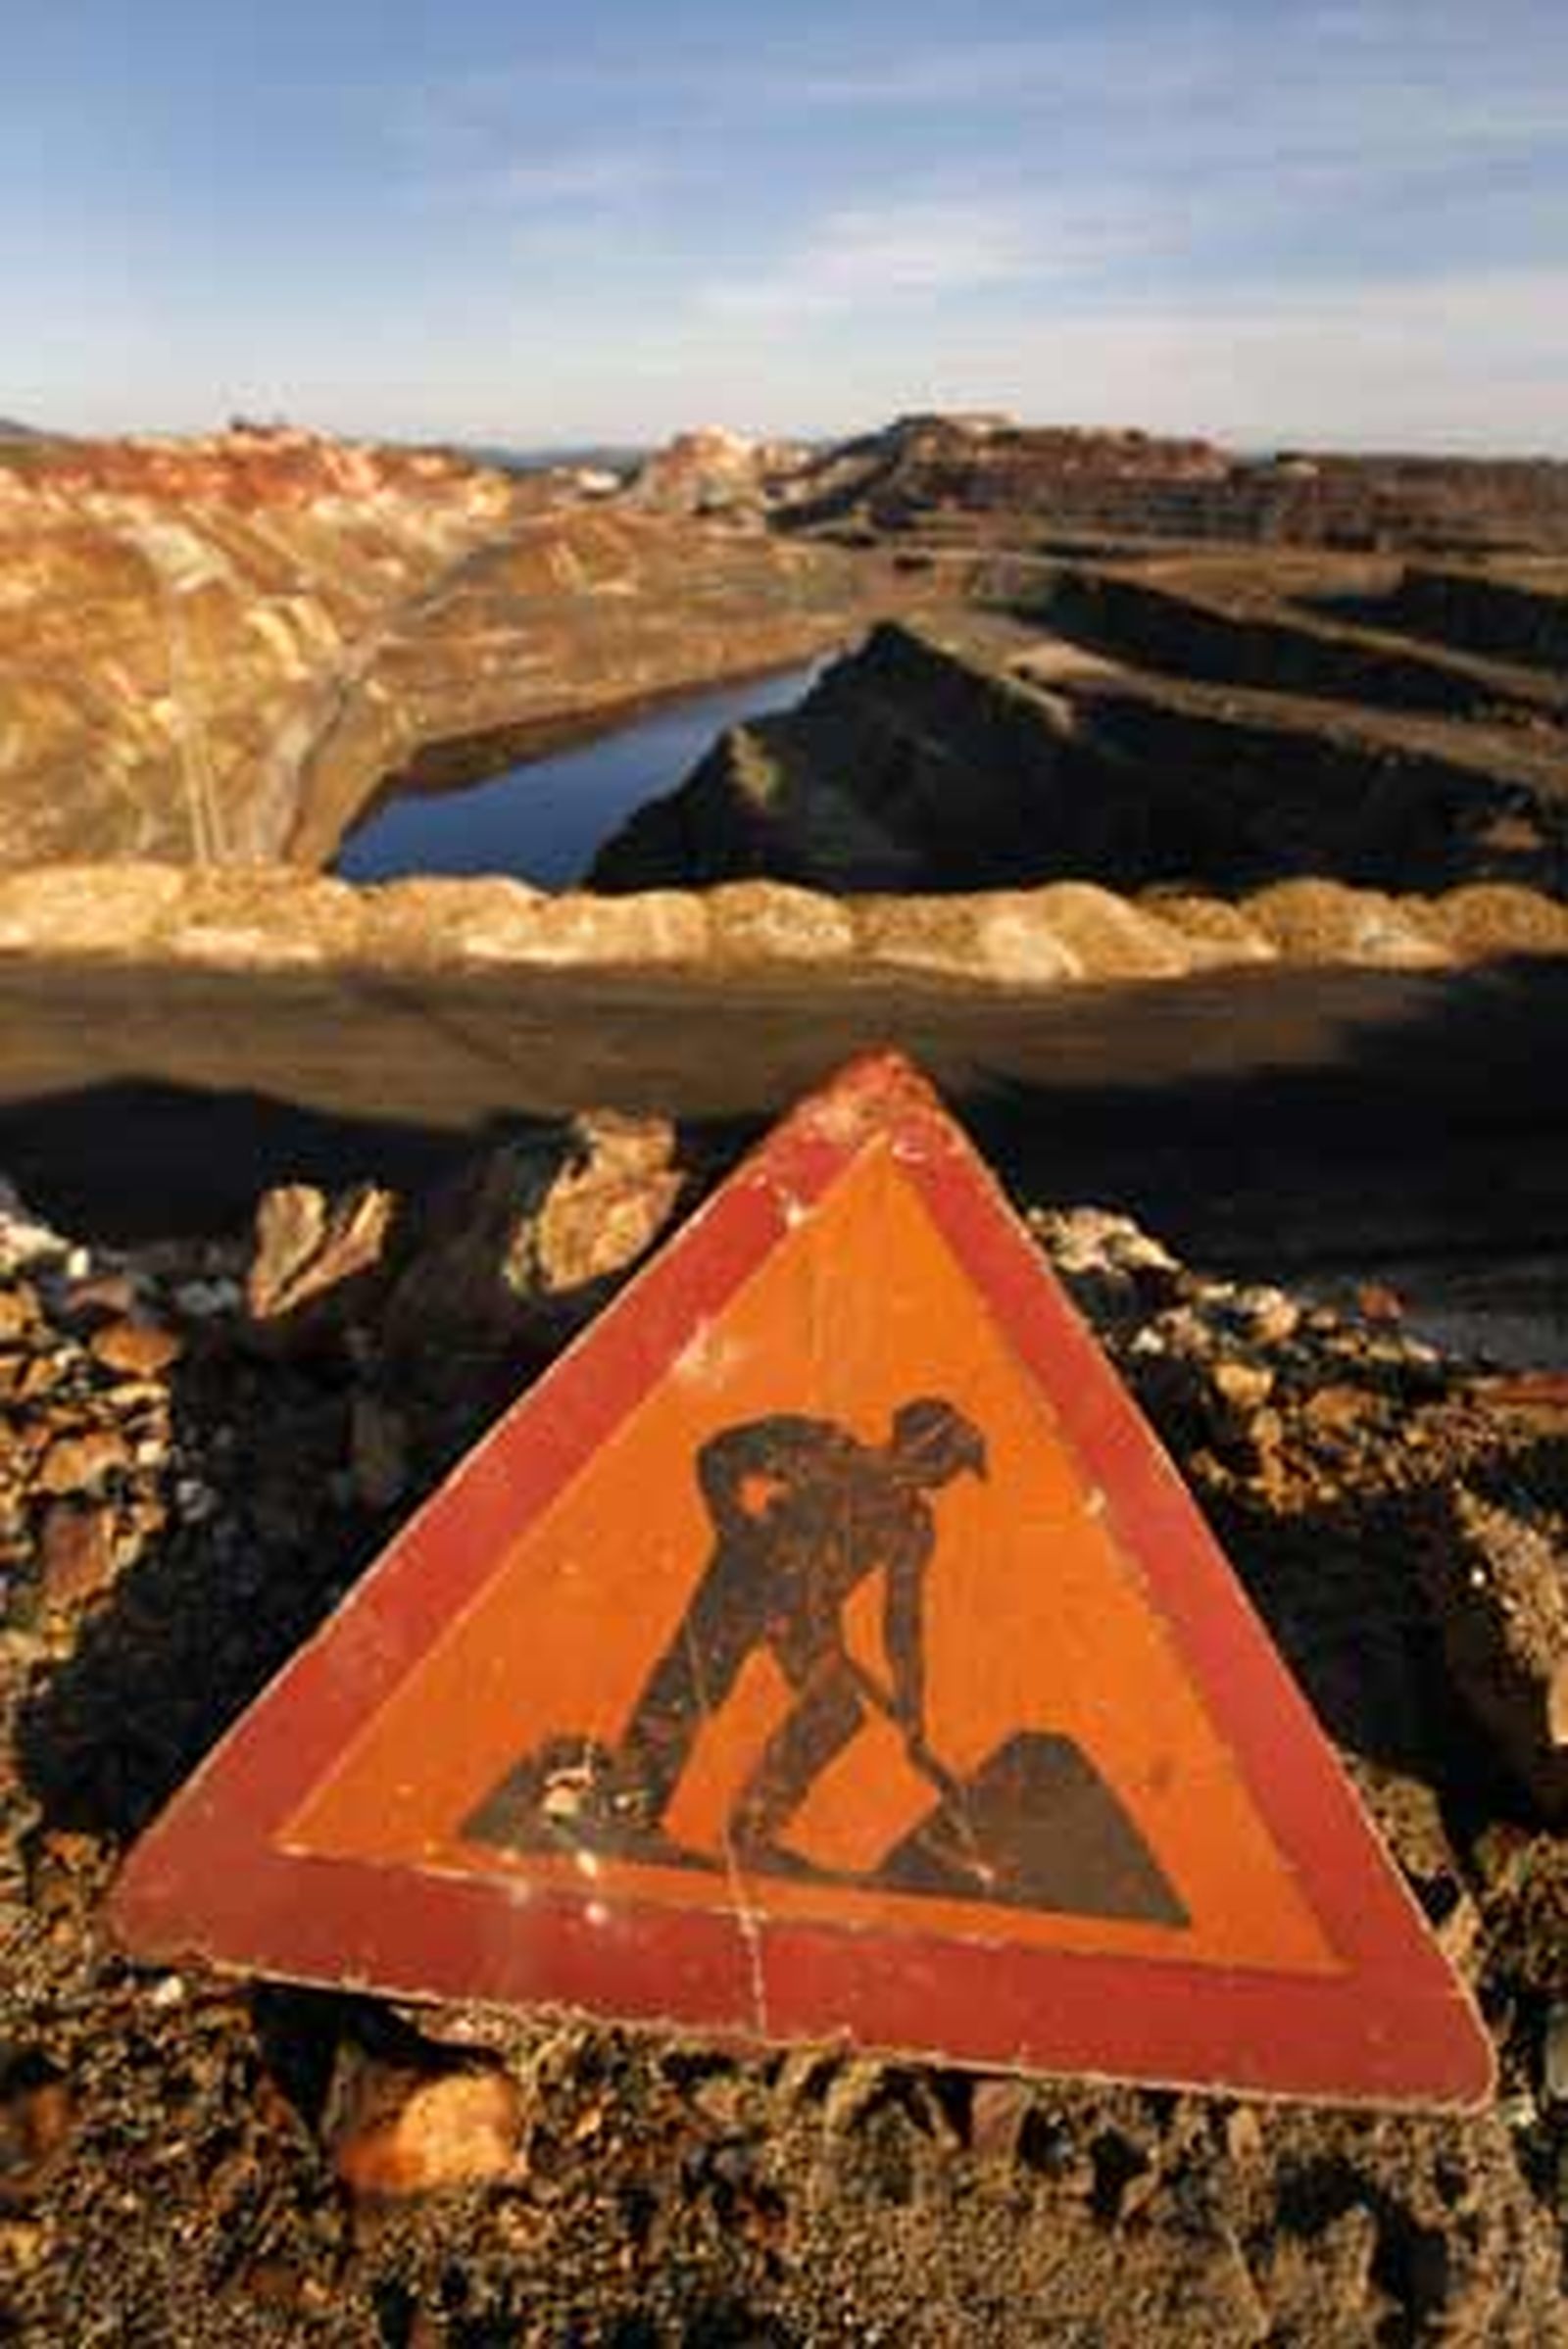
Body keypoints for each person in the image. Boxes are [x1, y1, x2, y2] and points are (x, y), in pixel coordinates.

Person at [604, 1396, 986, 1867]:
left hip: (807, 1616)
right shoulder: (824, 1448)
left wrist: (910, 1706)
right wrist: (735, 1528)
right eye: (952, 1463)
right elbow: (718, 1454)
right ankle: (626, 1814)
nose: (949, 1477)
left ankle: (751, 1831)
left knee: (834, 1709)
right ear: (925, 1450)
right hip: (744, 1582)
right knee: (689, 1688)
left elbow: (901, 1620)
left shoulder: (912, 1523)